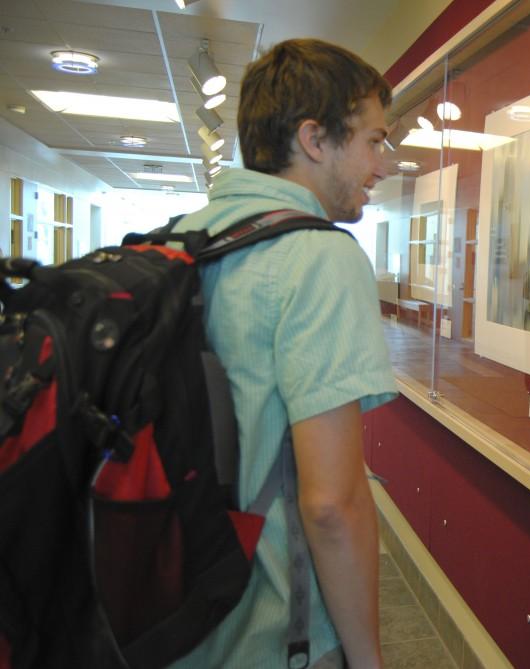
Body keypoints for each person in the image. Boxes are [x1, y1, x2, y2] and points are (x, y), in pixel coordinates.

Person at [170, 39, 398, 669]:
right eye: (374, 141)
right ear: (315, 139)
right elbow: (331, 504)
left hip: (167, 614)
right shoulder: (321, 258)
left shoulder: (184, 239)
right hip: (271, 632)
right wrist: (369, 661)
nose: (384, 164)